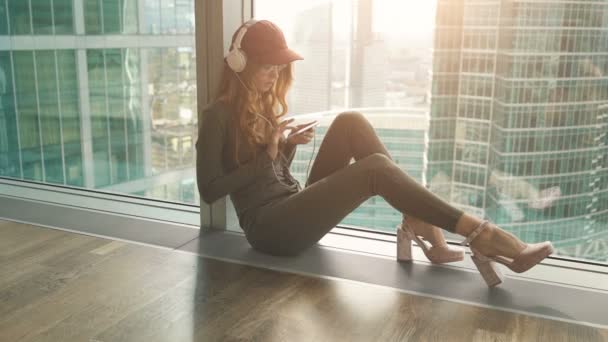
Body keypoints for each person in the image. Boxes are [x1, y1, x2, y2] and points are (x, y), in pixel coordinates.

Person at [196, 19, 554, 287]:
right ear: (239, 63)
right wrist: (270, 152)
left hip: (291, 207)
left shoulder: (262, 105)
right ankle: (480, 233)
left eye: (278, 68)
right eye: (266, 67)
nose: (274, 76)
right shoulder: (217, 117)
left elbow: (274, 175)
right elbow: (210, 189)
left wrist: (286, 147)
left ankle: (417, 221)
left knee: (351, 122)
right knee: (376, 170)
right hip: (269, 232)